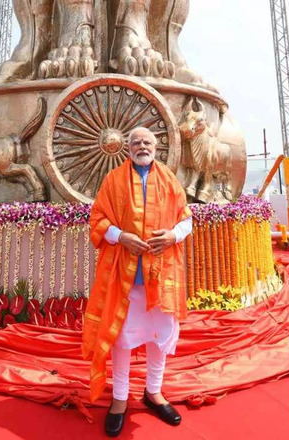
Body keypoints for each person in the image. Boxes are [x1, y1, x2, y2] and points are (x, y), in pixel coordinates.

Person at [82, 126, 194, 437]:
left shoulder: (170, 180)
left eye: (146, 142)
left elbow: (187, 220)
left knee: (160, 337)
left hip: (162, 274)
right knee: (121, 338)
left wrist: (173, 235)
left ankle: (154, 391)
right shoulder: (113, 180)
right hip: (125, 275)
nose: (141, 146)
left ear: (155, 147)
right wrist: (121, 237)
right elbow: (97, 220)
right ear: (126, 148)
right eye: (135, 142)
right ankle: (119, 399)